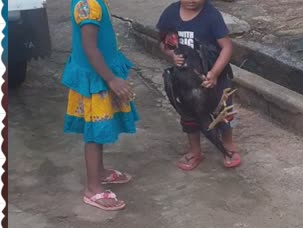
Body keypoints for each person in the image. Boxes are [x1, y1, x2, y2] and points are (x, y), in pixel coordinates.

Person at [61, 0, 139, 211]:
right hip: (96, 80)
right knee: (94, 133)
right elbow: (89, 48)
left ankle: (100, 172)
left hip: (98, 74)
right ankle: (93, 189)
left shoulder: (92, 3)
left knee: (99, 128)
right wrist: (111, 79)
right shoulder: (88, 5)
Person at [156, 0, 241, 171]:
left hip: (215, 74)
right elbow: (163, 42)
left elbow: (227, 47)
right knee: (188, 113)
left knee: (223, 110)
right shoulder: (170, 13)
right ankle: (195, 151)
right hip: (186, 81)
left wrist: (215, 72)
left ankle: (228, 145)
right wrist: (172, 55)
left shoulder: (211, 15)